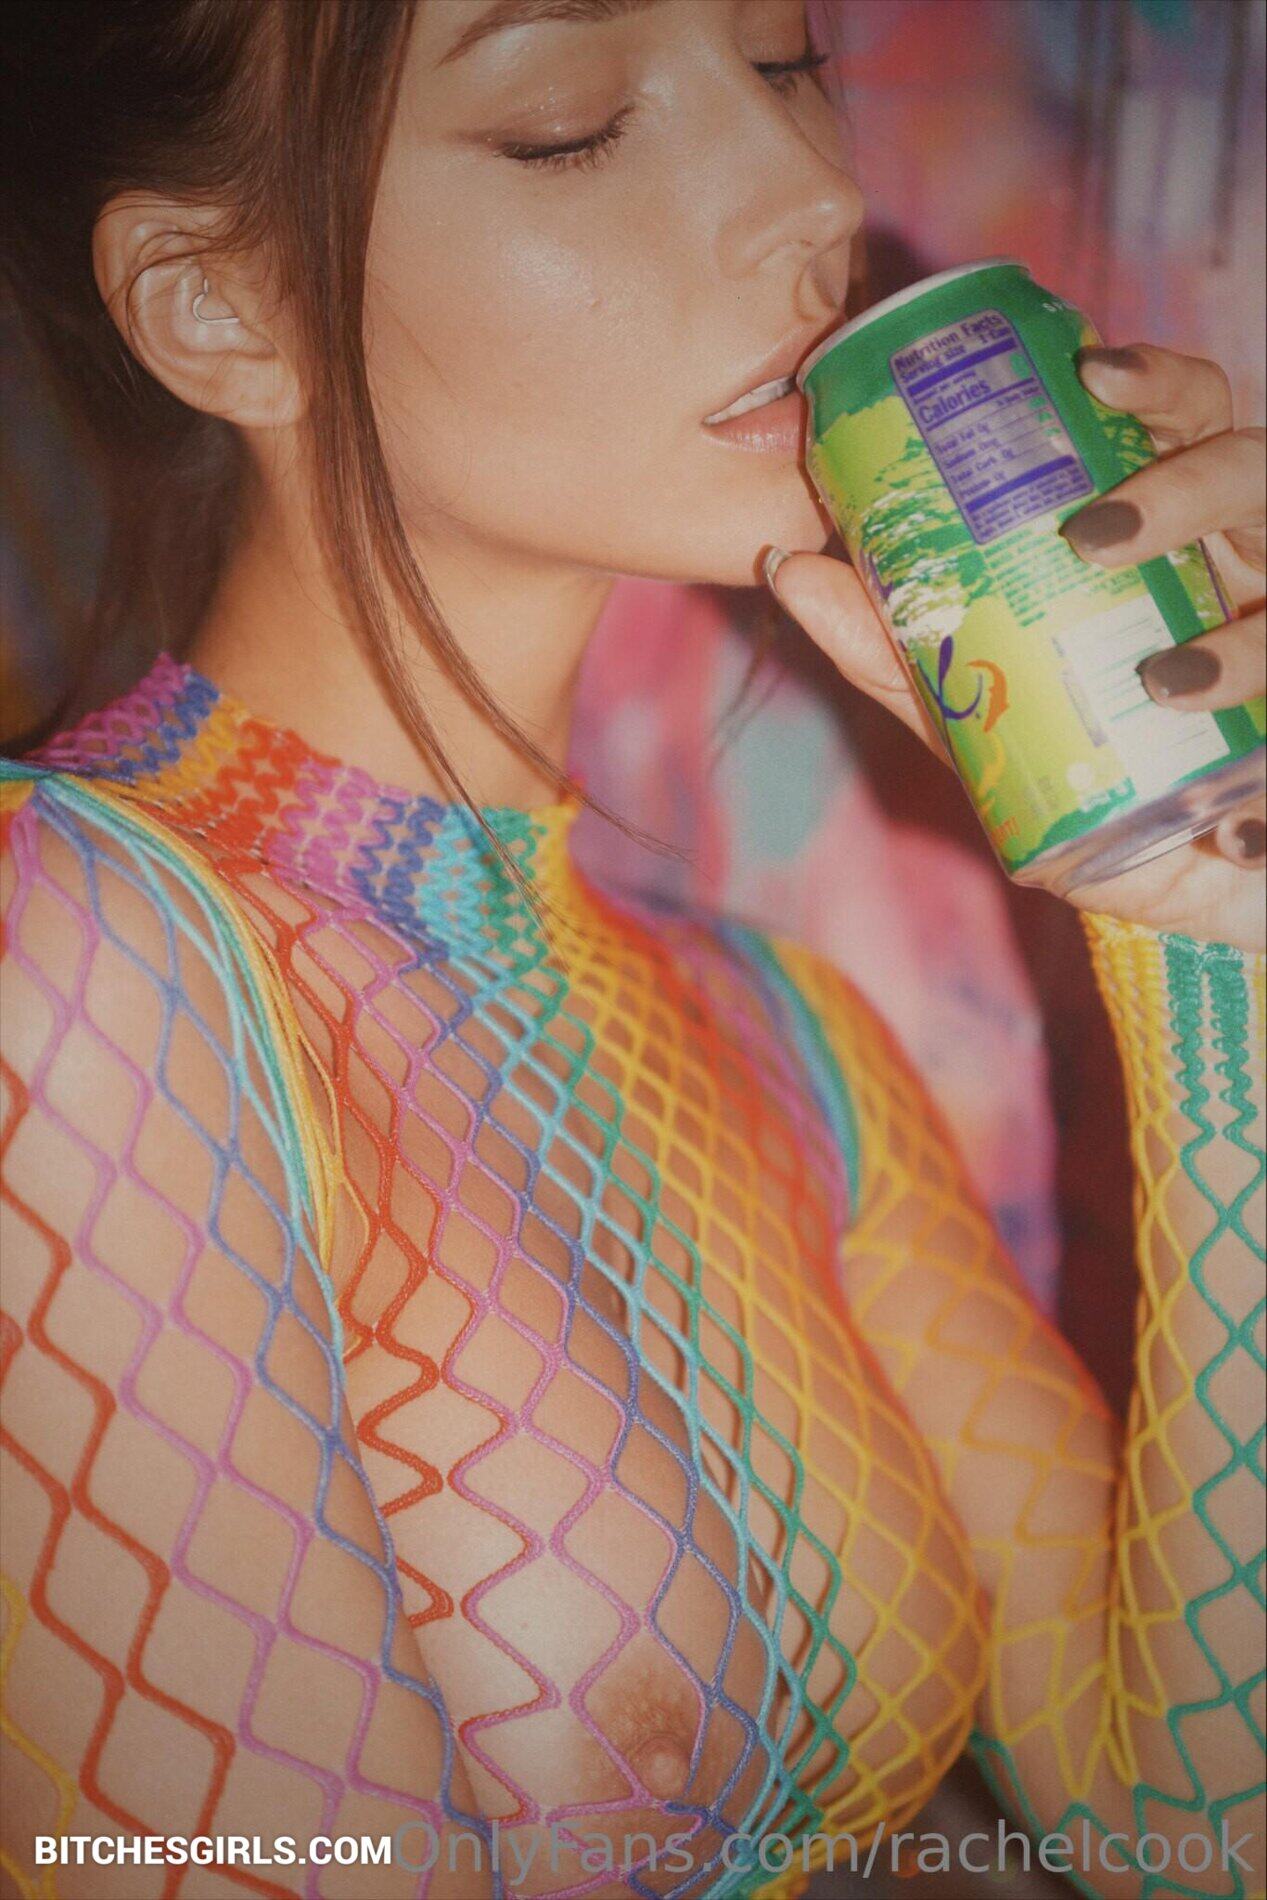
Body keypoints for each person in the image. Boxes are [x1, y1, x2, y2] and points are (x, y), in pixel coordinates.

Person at [1, 3, 1263, 1897]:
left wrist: (1210, 933)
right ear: (220, 306)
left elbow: (1184, 1836)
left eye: (783, 62)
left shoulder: (786, 1036)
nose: (816, 196)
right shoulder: (68, 948)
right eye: (571, 124)